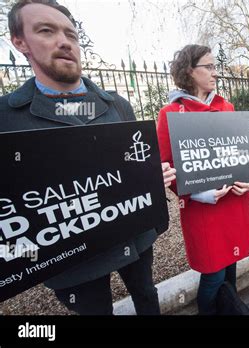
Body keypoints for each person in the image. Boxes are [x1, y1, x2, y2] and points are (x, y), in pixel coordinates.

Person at [1, 0, 176, 315]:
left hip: (134, 238)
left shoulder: (117, 105)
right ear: (19, 41)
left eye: (71, 33)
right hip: (72, 261)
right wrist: (30, 254)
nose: (64, 41)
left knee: (147, 298)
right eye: (46, 30)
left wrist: (151, 178)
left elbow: (133, 164)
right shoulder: (5, 118)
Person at [156, 44, 249, 314]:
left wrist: (247, 179)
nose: (216, 72)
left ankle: (230, 309)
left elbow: (240, 153)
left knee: (232, 266)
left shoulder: (226, 106)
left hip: (234, 203)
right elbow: (166, 167)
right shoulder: (170, 113)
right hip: (204, 210)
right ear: (190, 71)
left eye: (216, 66)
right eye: (210, 67)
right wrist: (193, 193)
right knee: (213, 274)